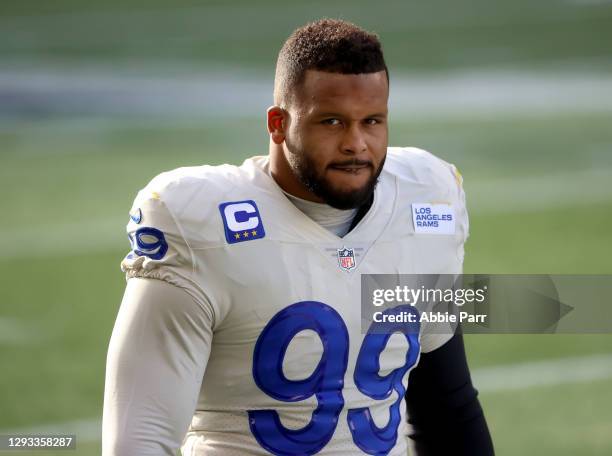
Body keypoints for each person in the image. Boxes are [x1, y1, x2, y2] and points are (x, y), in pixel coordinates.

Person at [102, 19, 494, 456]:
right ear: (277, 124)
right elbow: (140, 438)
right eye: (332, 122)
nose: (357, 143)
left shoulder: (426, 196)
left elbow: (446, 404)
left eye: (372, 121)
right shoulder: (200, 223)